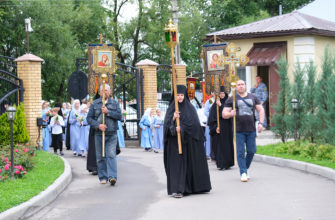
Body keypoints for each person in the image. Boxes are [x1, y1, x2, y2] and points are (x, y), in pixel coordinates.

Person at [164, 85, 211, 198]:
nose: (180, 97)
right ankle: (177, 190)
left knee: (188, 166)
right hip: (175, 144)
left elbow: (194, 126)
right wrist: (173, 120)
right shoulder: (171, 109)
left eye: (181, 95)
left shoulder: (189, 108)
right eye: (177, 95)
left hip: (187, 144)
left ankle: (191, 187)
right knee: (177, 167)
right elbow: (166, 127)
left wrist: (182, 129)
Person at [223, 80, 264, 182]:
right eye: (238, 85)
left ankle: (244, 168)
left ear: (245, 86)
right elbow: (224, 114)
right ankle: (243, 173)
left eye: (242, 84)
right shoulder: (231, 99)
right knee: (240, 152)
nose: (240, 86)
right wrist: (231, 114)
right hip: (238, 130)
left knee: (251, 151)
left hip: (251, 129)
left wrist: (261, 123)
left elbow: (261, 109)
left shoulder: (253, 97)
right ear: (236, 87)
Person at [87, 83, 122, 186]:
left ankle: (112, 177)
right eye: (102, 90)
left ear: (109, 92)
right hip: (99, 134)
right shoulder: (95, 104)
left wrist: (108, 112)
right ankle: (103, 177)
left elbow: (119, 116)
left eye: (106, 90)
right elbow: (89, 118)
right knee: (100, 156)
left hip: (112, 134)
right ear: (99, 92)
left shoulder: (114, 103)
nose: (104, 92)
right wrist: (98, 125)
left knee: (111, 155)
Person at [208, 86, 234, 170]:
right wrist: (215, 127)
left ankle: (228, 163)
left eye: (223, 93)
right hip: (218, 129)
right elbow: (211, 119)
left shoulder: (228, 103)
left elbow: (227, 113)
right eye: (220, 93)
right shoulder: (214, 106)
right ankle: (221, 164)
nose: (222, 95)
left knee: (227, 145)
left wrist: (221, 105)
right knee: (219, 146)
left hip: (227, 128)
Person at [204, 91, 215, 159]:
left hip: (218, 121)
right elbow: (206, 112)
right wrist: (213, 116)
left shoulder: (219, 100)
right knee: (208, 137)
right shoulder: (209, 101)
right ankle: (208, 153)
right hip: (210, 121)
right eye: (213, 92)